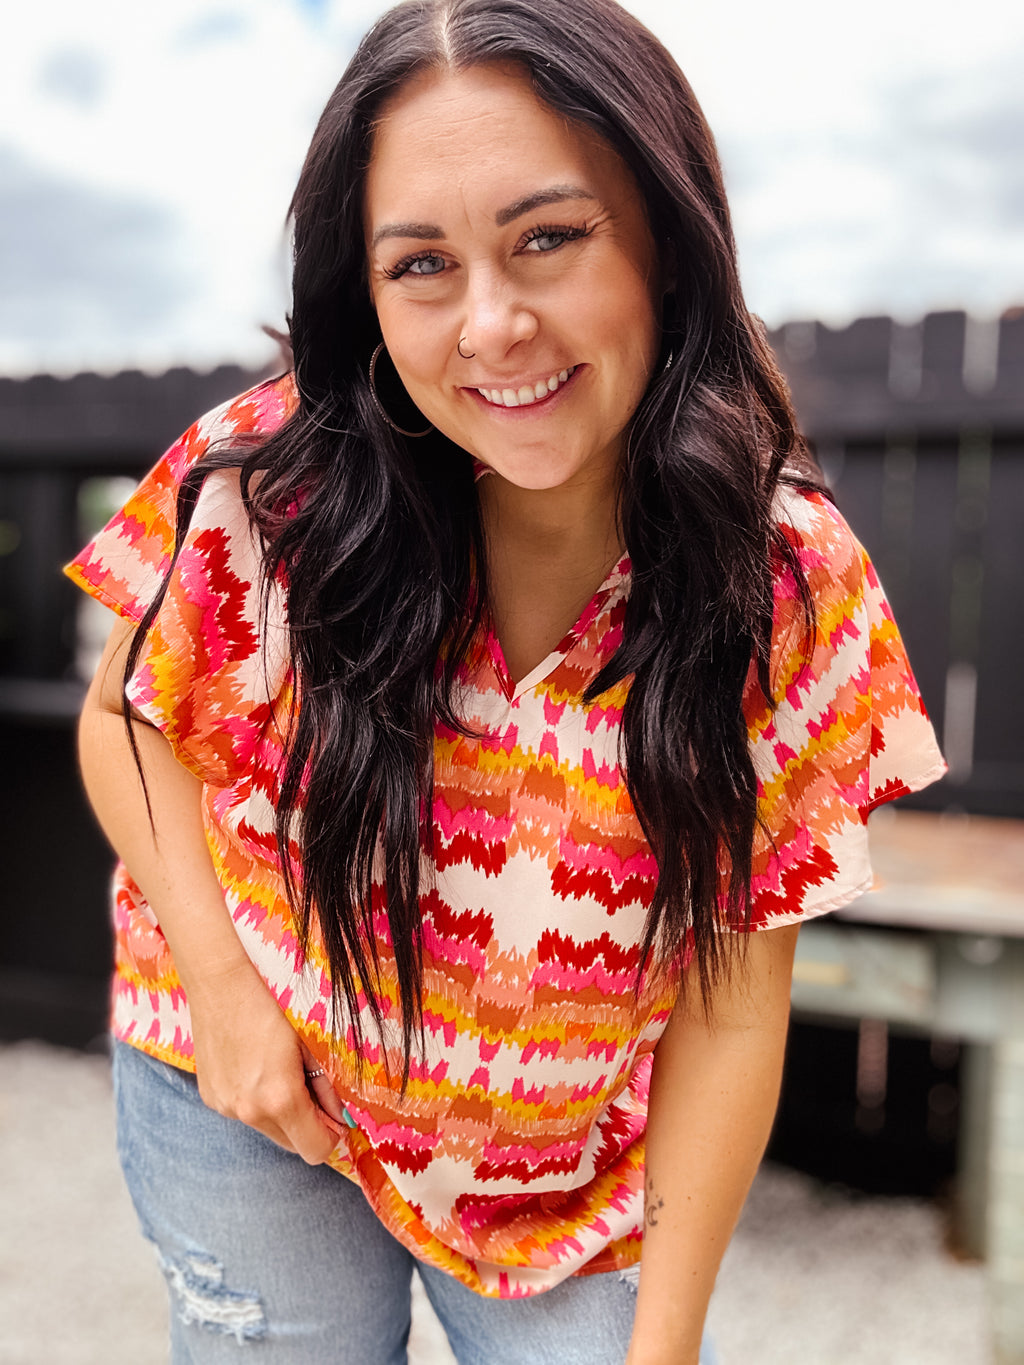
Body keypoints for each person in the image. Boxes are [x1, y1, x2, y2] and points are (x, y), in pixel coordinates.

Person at [69, 1, 946, 1361]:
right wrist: (232, 1005)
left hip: (566, 1182)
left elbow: (732, 998)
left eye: (549, 236)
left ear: (664, 230)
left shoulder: (785, 586)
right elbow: (127, 719)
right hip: (248, 1080)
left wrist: (665, 1344)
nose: (492, 324)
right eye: (422, 263)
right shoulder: (275, 476)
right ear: (364, 288)